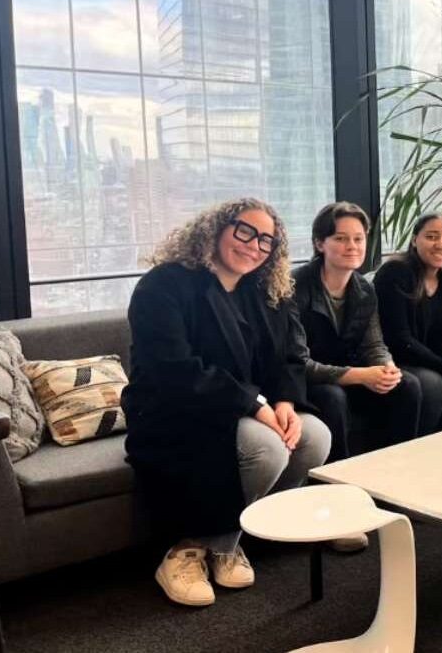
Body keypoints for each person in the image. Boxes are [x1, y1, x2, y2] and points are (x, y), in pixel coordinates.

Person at [122, 198, 331, 607]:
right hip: (174, 410)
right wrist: (254, 404)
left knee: (315, 438)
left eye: (266, 240)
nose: (254, 246)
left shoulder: (264, 290)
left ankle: (230, 538)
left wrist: (286, 400)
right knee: (266, 448)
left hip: (240, 407)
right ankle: (188, 550)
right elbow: (173, 368)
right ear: (216, 228)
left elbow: (289, 354)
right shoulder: (164, 284)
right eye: (245, 231)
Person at [289, 201, 424, 463]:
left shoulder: (364, 289)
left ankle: (399, 467)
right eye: (341, 238)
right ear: (319, 243)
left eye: (358, 238)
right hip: (306, 381)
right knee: (332, 397)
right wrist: (360, 375)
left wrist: (386, 367)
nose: (352, 246)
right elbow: (298, 363)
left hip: (347, 372)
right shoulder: (295, 287)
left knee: (407, 385)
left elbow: (373, 344)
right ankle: (338, 481)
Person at [374, 212, 442, 432]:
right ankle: (416, 455)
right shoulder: (394, 273)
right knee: (433, 383)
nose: (440, 245)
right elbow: (398, 338)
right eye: (431, 237)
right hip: (397, 359)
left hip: (433, 359)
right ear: (415, 240)